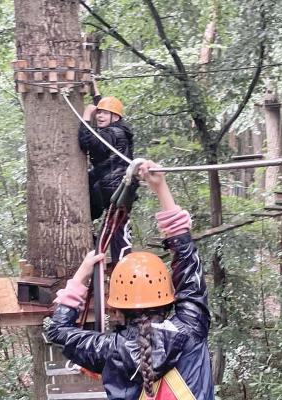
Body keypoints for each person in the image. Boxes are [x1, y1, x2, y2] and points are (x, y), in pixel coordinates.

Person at [45, 160, 214, 400]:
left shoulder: (108, 350)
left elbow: (59, 330)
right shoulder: (191, 326)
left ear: (117, 307)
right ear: (168, 297)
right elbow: (188, 263)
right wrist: (161, 187)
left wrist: (82, 273)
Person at [78, 79, 135, 264]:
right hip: (112, 186)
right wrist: (96, 92)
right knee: (103, 220)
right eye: (99, 113)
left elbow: (88, 143)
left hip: (114, 190)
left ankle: (122, 264)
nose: (100, 116)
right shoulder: (119, 127)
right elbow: (106, 110)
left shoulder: (112, 134)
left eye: (105, 114)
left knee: (116, 228)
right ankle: (97, 247)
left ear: (115, 117)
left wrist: (87, 116)